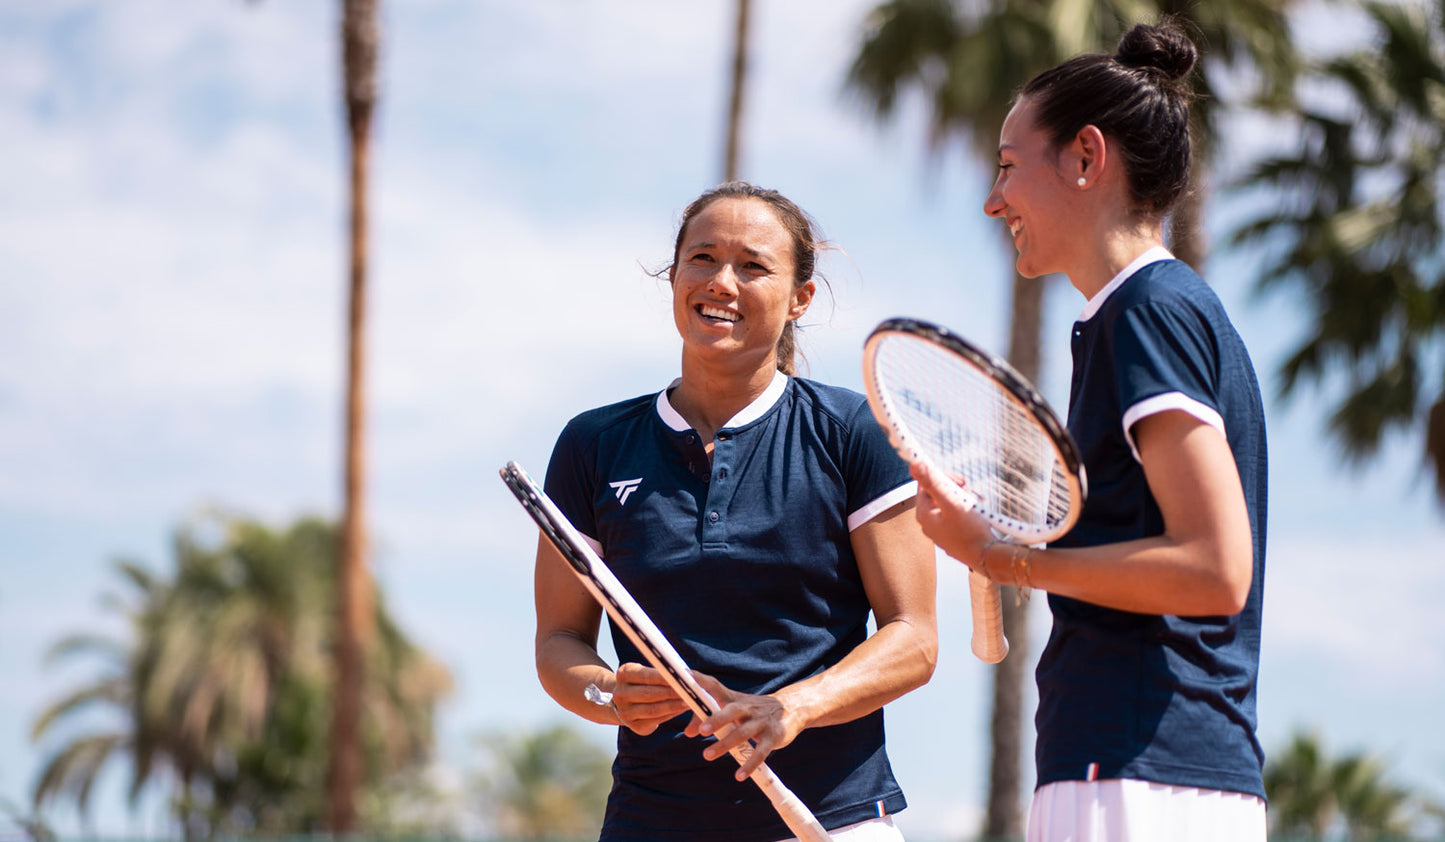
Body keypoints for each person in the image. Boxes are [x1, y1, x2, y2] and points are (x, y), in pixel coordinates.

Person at [909, 22, 1270, 842]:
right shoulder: (1152, 311)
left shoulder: (1147, 311)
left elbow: (1215, 569)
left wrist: (998, 558)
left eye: (1007, 166)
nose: (992, 198)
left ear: (1083, 157)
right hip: (1154, 768)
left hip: (1138, 769)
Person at [534, 182, 939, 842]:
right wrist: (608, 694)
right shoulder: (592, 445)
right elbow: (558, 641)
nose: (721, 282)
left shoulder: (852, 431)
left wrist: (792, 707)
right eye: (702, 258)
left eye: (751, 266)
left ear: (800, 297)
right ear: (674, 277)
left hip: (832, 819)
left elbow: (914, 639)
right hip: (649, 821)